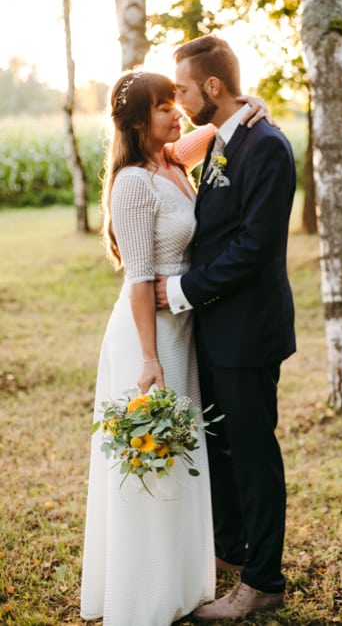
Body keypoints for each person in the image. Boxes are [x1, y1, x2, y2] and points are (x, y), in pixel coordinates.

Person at [80, 70, 274, 625]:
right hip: (152, 335)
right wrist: (149, 359)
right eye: (163, 106)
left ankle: (186, 581)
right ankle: (146, 593)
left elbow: (218, 131)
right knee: (151, 457)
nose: (175, 112)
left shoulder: (173, 160)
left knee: (184, 456)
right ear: (138, 121)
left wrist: (250, 103)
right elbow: (139, 279)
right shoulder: (133, 182)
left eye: (174, 101)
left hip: (185, 329)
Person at [154, 34, 297, 619]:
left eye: (184, 89)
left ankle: (263, 582)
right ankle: (233, 552)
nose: (180, 101)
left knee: (253, 454)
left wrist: (181, 291)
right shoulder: (221, 138)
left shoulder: (267, 147)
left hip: (248, 331)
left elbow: (255, 247)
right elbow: (162, 158)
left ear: (212, 87)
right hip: (214, 329)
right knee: (220, 447)